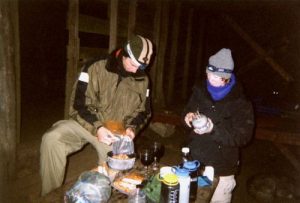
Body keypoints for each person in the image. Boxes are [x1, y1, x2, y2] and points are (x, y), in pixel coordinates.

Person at [40, 35, 154, 196]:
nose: (136, 70)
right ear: (124, 54)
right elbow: (77, 104)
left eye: (141, 67)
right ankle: (50, 196)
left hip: (116, 133)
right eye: (133, 64)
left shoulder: (143, 79)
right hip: (87, 123)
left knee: (116, 175)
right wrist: (98, 127)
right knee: (52, 139)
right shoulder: (95, 67)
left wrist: (131, 128)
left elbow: (144, 111)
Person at [182, 48, 254, 203]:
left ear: (227, 77)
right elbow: (188, 109)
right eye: (210, 73)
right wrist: (187, 116)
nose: (213, 78)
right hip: (196, 162)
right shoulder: (199, 90)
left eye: (219, 76)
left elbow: (243, 137)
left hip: (222, 169)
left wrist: (213, 129)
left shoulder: (241, 102)